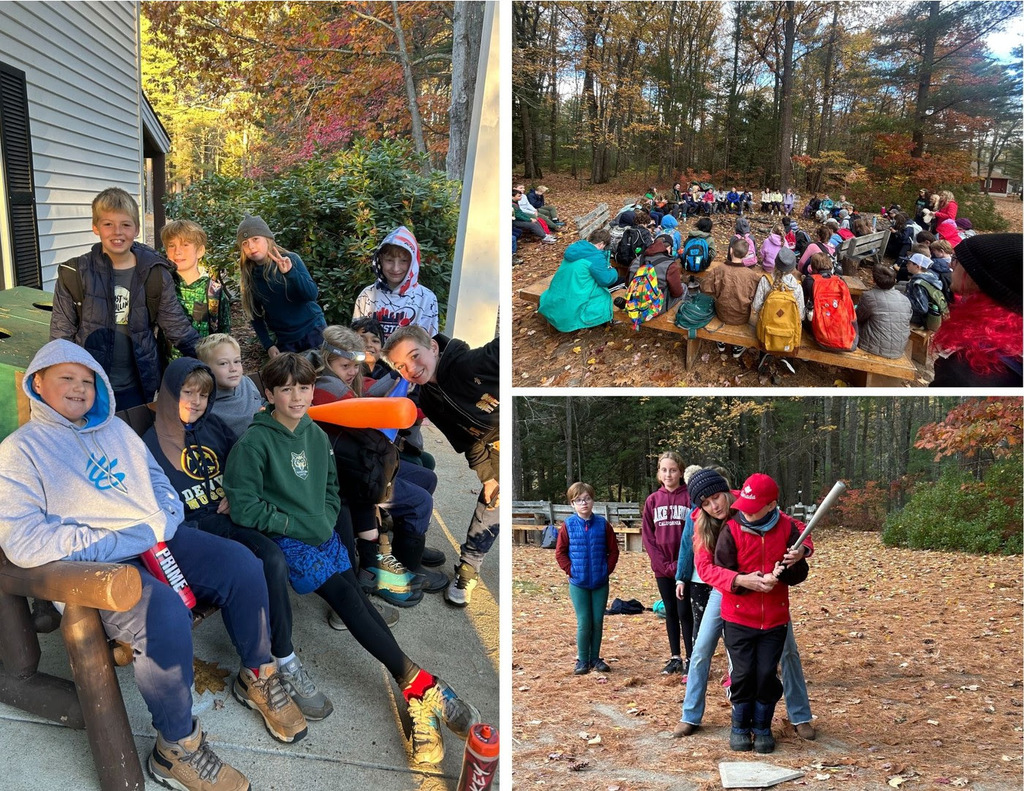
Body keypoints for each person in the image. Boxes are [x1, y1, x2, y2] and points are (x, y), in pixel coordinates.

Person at [0, 340, 306, 791]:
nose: (80, 388)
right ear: (37, 383)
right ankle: (175, 747)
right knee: (162, 611)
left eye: (88, 380)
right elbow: (23, 541)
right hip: (95, 568)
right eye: (66, 378)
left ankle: (258, 675)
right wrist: (115, 541)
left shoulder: (117, 431)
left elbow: (160, 482)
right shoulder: (20, 451)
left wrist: (162, 520)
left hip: (158, 537)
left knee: (242, 563)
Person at [222, 353, 479, 764]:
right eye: (285, 388)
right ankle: (422, 684)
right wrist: (299, 525)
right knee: (345, 594)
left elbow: (329, 486)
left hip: (318, 529)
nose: (297, 396)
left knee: (356, 599)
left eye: (304, 387)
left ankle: (417, 687)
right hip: (284, 537)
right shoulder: (255, 443)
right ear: (268, 394)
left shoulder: (314, 432)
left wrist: (323, 518)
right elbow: (244, 508)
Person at [143, 356, 333, 721]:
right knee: (255, 563)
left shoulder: (213, 427)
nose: (196, 402)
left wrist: (236, 489)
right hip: (195, 530)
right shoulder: (152, 442)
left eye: (203, 395)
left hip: (228, 516)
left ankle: (281, 654)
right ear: (169, 395)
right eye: (187, 393)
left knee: (273, 557)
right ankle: (271, 662)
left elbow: (240, 463)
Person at [672, 468, 815, 743]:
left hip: (766, 594)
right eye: (706, 502)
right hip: (726, 588)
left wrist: (802, 550)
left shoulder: (747, 501)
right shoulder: (699, 521)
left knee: (788, 651)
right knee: (701, 649)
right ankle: (690, 715)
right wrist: (739, 579)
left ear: (726, 491)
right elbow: (704, 568)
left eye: (716, 497)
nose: (714, 506)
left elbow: (793, 527)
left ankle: (800, 716)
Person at [309, 325, 449, 599]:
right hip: (353, 473)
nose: (352, 372)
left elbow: (369, 399)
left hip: (363, 462)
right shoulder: (328, 391)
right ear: (327, 360)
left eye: (354, 365)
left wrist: (400, 377)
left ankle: (405, 548)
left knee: (427, 477)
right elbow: (370, 426)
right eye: (345, 365)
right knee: (421, 501)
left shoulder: (341, 384)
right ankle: (405, 570)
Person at [49, 187, 200, 410]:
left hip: (138, 386)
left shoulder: (155, 274)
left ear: (136, 229)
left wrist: (211, 361)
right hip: (88, 386)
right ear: (95, 227)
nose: (117, 232)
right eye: (108, 224)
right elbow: (60, 338)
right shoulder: (74, 274)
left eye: (125, 224)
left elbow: (177, 327)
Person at [383, 326, 499, 607]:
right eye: (401, 365)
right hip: (491, 447)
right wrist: (488, 476)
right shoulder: (428, 399)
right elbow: (465, 441)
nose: (411, 368)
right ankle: (468, 570)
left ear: (433, 347)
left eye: (414, 355)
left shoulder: (468, 363)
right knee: (493, 499)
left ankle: (469, 567)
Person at [714, 473, 810, 754]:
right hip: (738, 618)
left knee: (767, 673)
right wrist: (749, 581)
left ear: (771, 505)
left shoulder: (789, 529)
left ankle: (762, 727)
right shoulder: (730, 529)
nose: (746, 511)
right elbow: (723, 571)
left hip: (775, 620)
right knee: (743, 674)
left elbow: (798, 575)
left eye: (754, 508)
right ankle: (740, 726)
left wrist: (795, 562)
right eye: (743, 505)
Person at [931, 234, 1022, 387]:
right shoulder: (1014, 343)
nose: (950, 265)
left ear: (977, 277)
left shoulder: (963, 370)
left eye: (957, 260)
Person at [237, 214, 326, 358]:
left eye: (255, 239)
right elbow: (254, 315)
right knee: (296, 380)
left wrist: (291, 273)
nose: (251, 246)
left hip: (314, 330)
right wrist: (268, 344)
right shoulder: (249, 276)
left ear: (267, 239)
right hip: (286, 341)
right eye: (245, 243)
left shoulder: (290, 259)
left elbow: (311, 295)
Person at [555, 482, 619, 676]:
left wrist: (605, 570)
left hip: (600, 582)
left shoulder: (602, 525)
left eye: (587, 499)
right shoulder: (568, 525)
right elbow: (560, 552)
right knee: (584, 621)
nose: (584, 503)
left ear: (593, 501)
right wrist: (571, 570)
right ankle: (582, 659)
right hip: (579, 583)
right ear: (572, 504)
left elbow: (613, 550)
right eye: (579, 500)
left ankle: (595, 658)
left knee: (597, 620)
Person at [641, 452, 693, 676]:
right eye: (664, 470)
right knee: (670, 610)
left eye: (672, 470)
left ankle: (692, 657)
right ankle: (675, 657)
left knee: (685, 611)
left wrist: (682, 565)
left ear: (681, 472)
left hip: (686, 567)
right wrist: (663, 565)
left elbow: (695, 534)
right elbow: (648, 537)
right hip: (662, 568)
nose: (668, 474)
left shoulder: (689, 498)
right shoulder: (653, 500)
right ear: (658, 473)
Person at [352, 225, 440, 341]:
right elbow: (356, 340)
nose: (395, 268)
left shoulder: (426, 298)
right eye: (389, 260)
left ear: (413, 263)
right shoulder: (367, 295)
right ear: (380, 260)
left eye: (403, 261)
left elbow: (429, 344)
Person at [161, 219, 230, 343]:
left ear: (200, 251)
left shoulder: (214, 292)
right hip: (168, 362)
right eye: (172, 245)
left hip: (203, 359)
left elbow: (223, 336)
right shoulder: (162, 285)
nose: (178, 251)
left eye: (185, 244)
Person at [538, 228, 619, 332]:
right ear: (601, 244)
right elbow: (606, 280)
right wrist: (614, 271)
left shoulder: (575, 249)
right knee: (616, 284)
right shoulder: (595, 257)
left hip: (559, 292)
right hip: (574, 301)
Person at [702, 237, 762, 359]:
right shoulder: (751, 276)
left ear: (730, 251)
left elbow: (705, 287)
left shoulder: (719, 269)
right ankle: (737, 347)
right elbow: (757, 297)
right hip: (742, 316)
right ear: (746, 255)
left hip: (721, 313)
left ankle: (721, 342)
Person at [197, 333, 264, 440]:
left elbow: (260, 402)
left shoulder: (245, 382)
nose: (233, 368)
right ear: (206, 368)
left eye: (237, 361)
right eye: (223, 363)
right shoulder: (205, 405)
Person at [855, 264, 912, 359]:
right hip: (898, 349)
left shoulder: (869, 296)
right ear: (894, 281)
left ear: (873, 280)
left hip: (872, 347)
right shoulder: (905, 299)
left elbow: (858, 318)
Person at [905, 253, 945, 330]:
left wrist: (904, 299)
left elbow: (922, 308)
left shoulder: (919, 284)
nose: (906, 265)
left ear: (918, 266)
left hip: (921, 318)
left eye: (909, 263)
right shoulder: (930, 276)